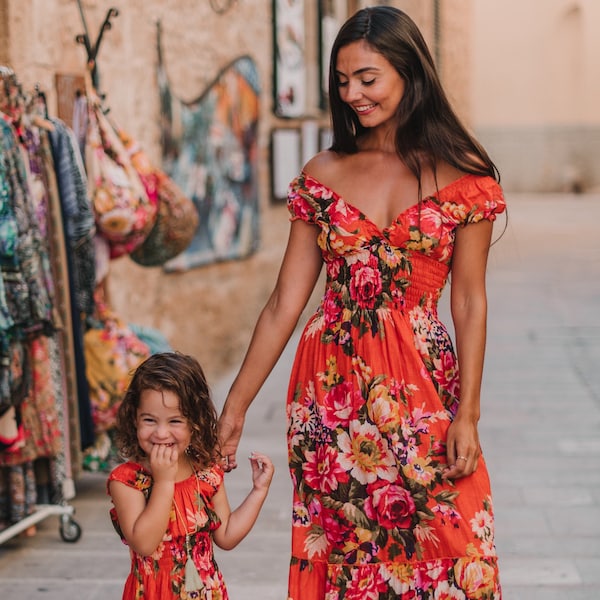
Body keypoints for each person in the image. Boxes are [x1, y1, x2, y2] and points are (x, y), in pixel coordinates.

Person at [218, 5, 506, 599]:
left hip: (424, 385)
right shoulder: (324, 173)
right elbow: (283, 304)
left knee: (453, 544)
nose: (352, 94)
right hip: (331, 391)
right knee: (346, 551)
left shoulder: (465, 176)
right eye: (342, 80)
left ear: (410, 72)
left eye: (367, 79)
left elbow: (471, 303)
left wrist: (469, 414)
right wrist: (236, 407)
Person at [107, 352, 274, 599]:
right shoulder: (128, 481)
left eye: (175, 421)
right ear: (134, 420)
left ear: (195, 423)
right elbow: (144, 544)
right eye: (150, 420)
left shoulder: (206, 474)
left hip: (206, 591)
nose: (161, 433)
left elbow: (226, 535)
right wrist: (164, 481)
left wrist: (258, 491)